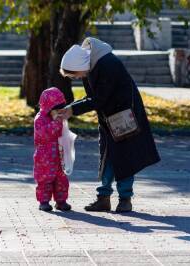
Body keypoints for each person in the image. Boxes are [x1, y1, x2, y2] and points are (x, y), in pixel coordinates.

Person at [58, 37, 160, 213]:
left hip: (125, 116)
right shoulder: (89, 66)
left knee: (125, 157)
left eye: (74, 74)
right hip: (108, 116)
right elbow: (94, 97)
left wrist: (73, 110)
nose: (76, 78)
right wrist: (71, 108)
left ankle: (125, 199)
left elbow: (99, 98)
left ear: (79, 66)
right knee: (107, 156)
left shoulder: (107, 63)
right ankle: (103, 198)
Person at [33, 87, 72, 212]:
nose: (60, 112)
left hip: (59, 155)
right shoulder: (40, 119)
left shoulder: (60, 119)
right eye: (57, 109)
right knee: (45, 179)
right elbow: (43, 134)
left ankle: (61, 201)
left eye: (62, 109)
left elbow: (64, 133)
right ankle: (44, 201)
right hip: (45, 156)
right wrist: (56, 123)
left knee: (61, 179)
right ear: (48, 108)